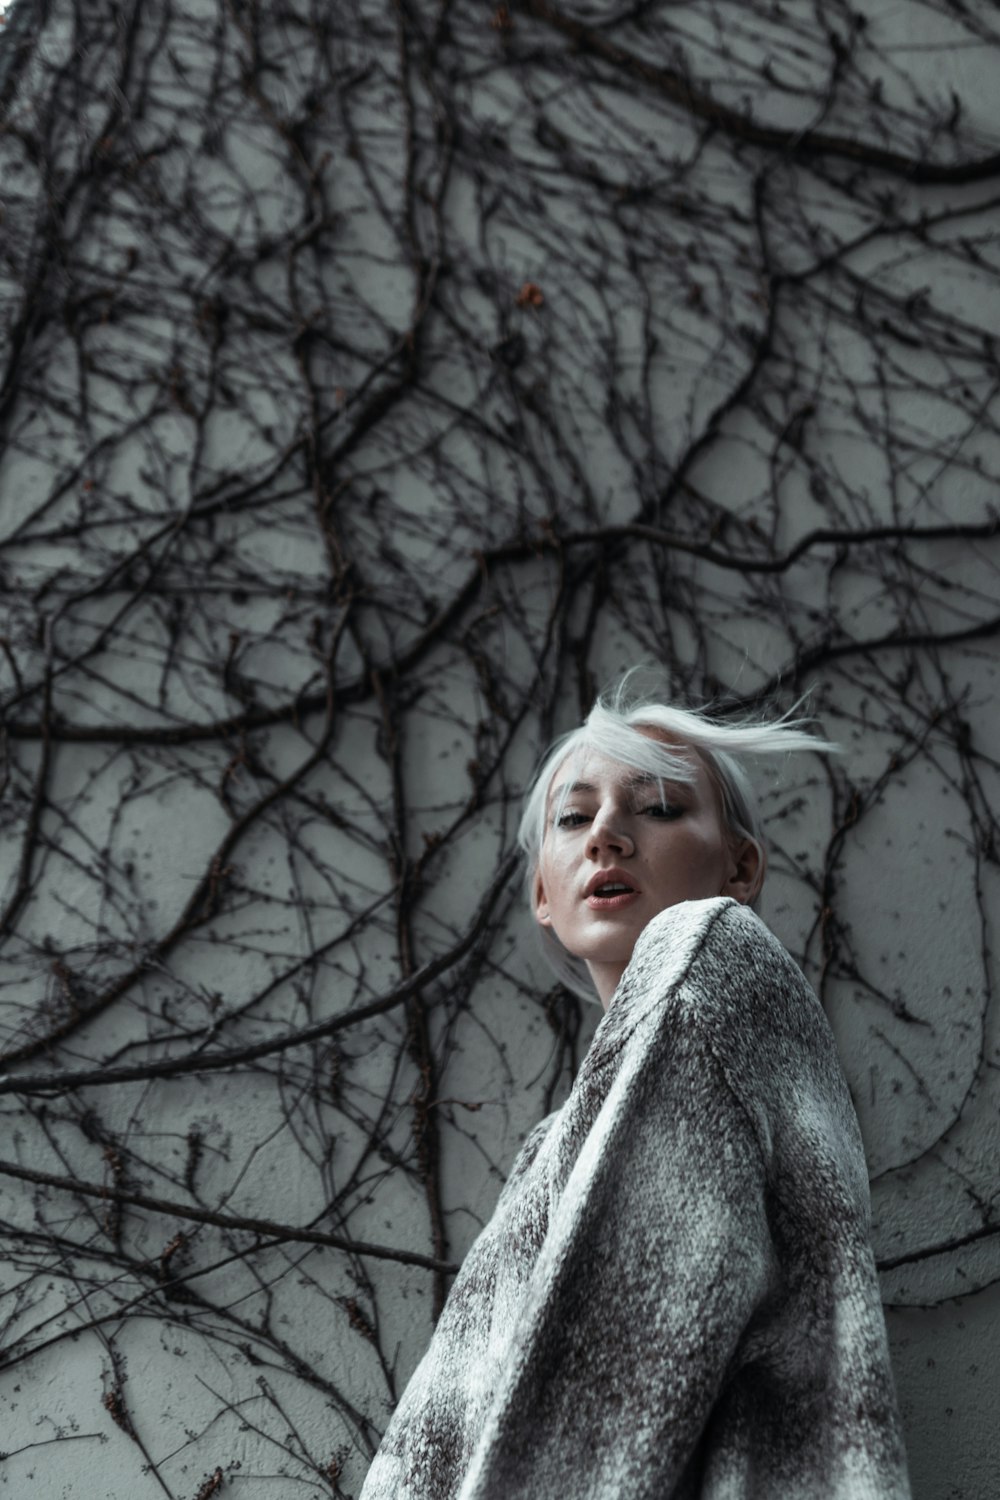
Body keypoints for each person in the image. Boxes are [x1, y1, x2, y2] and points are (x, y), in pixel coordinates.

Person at [358, 673, 913, 1500]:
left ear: (741, 867)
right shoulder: (552, 1147)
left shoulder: (716, 953)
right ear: (543, 893)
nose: (607, 835)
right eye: (575, 818)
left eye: (656, 807)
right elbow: (443, 1420)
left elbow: (619, 1359)